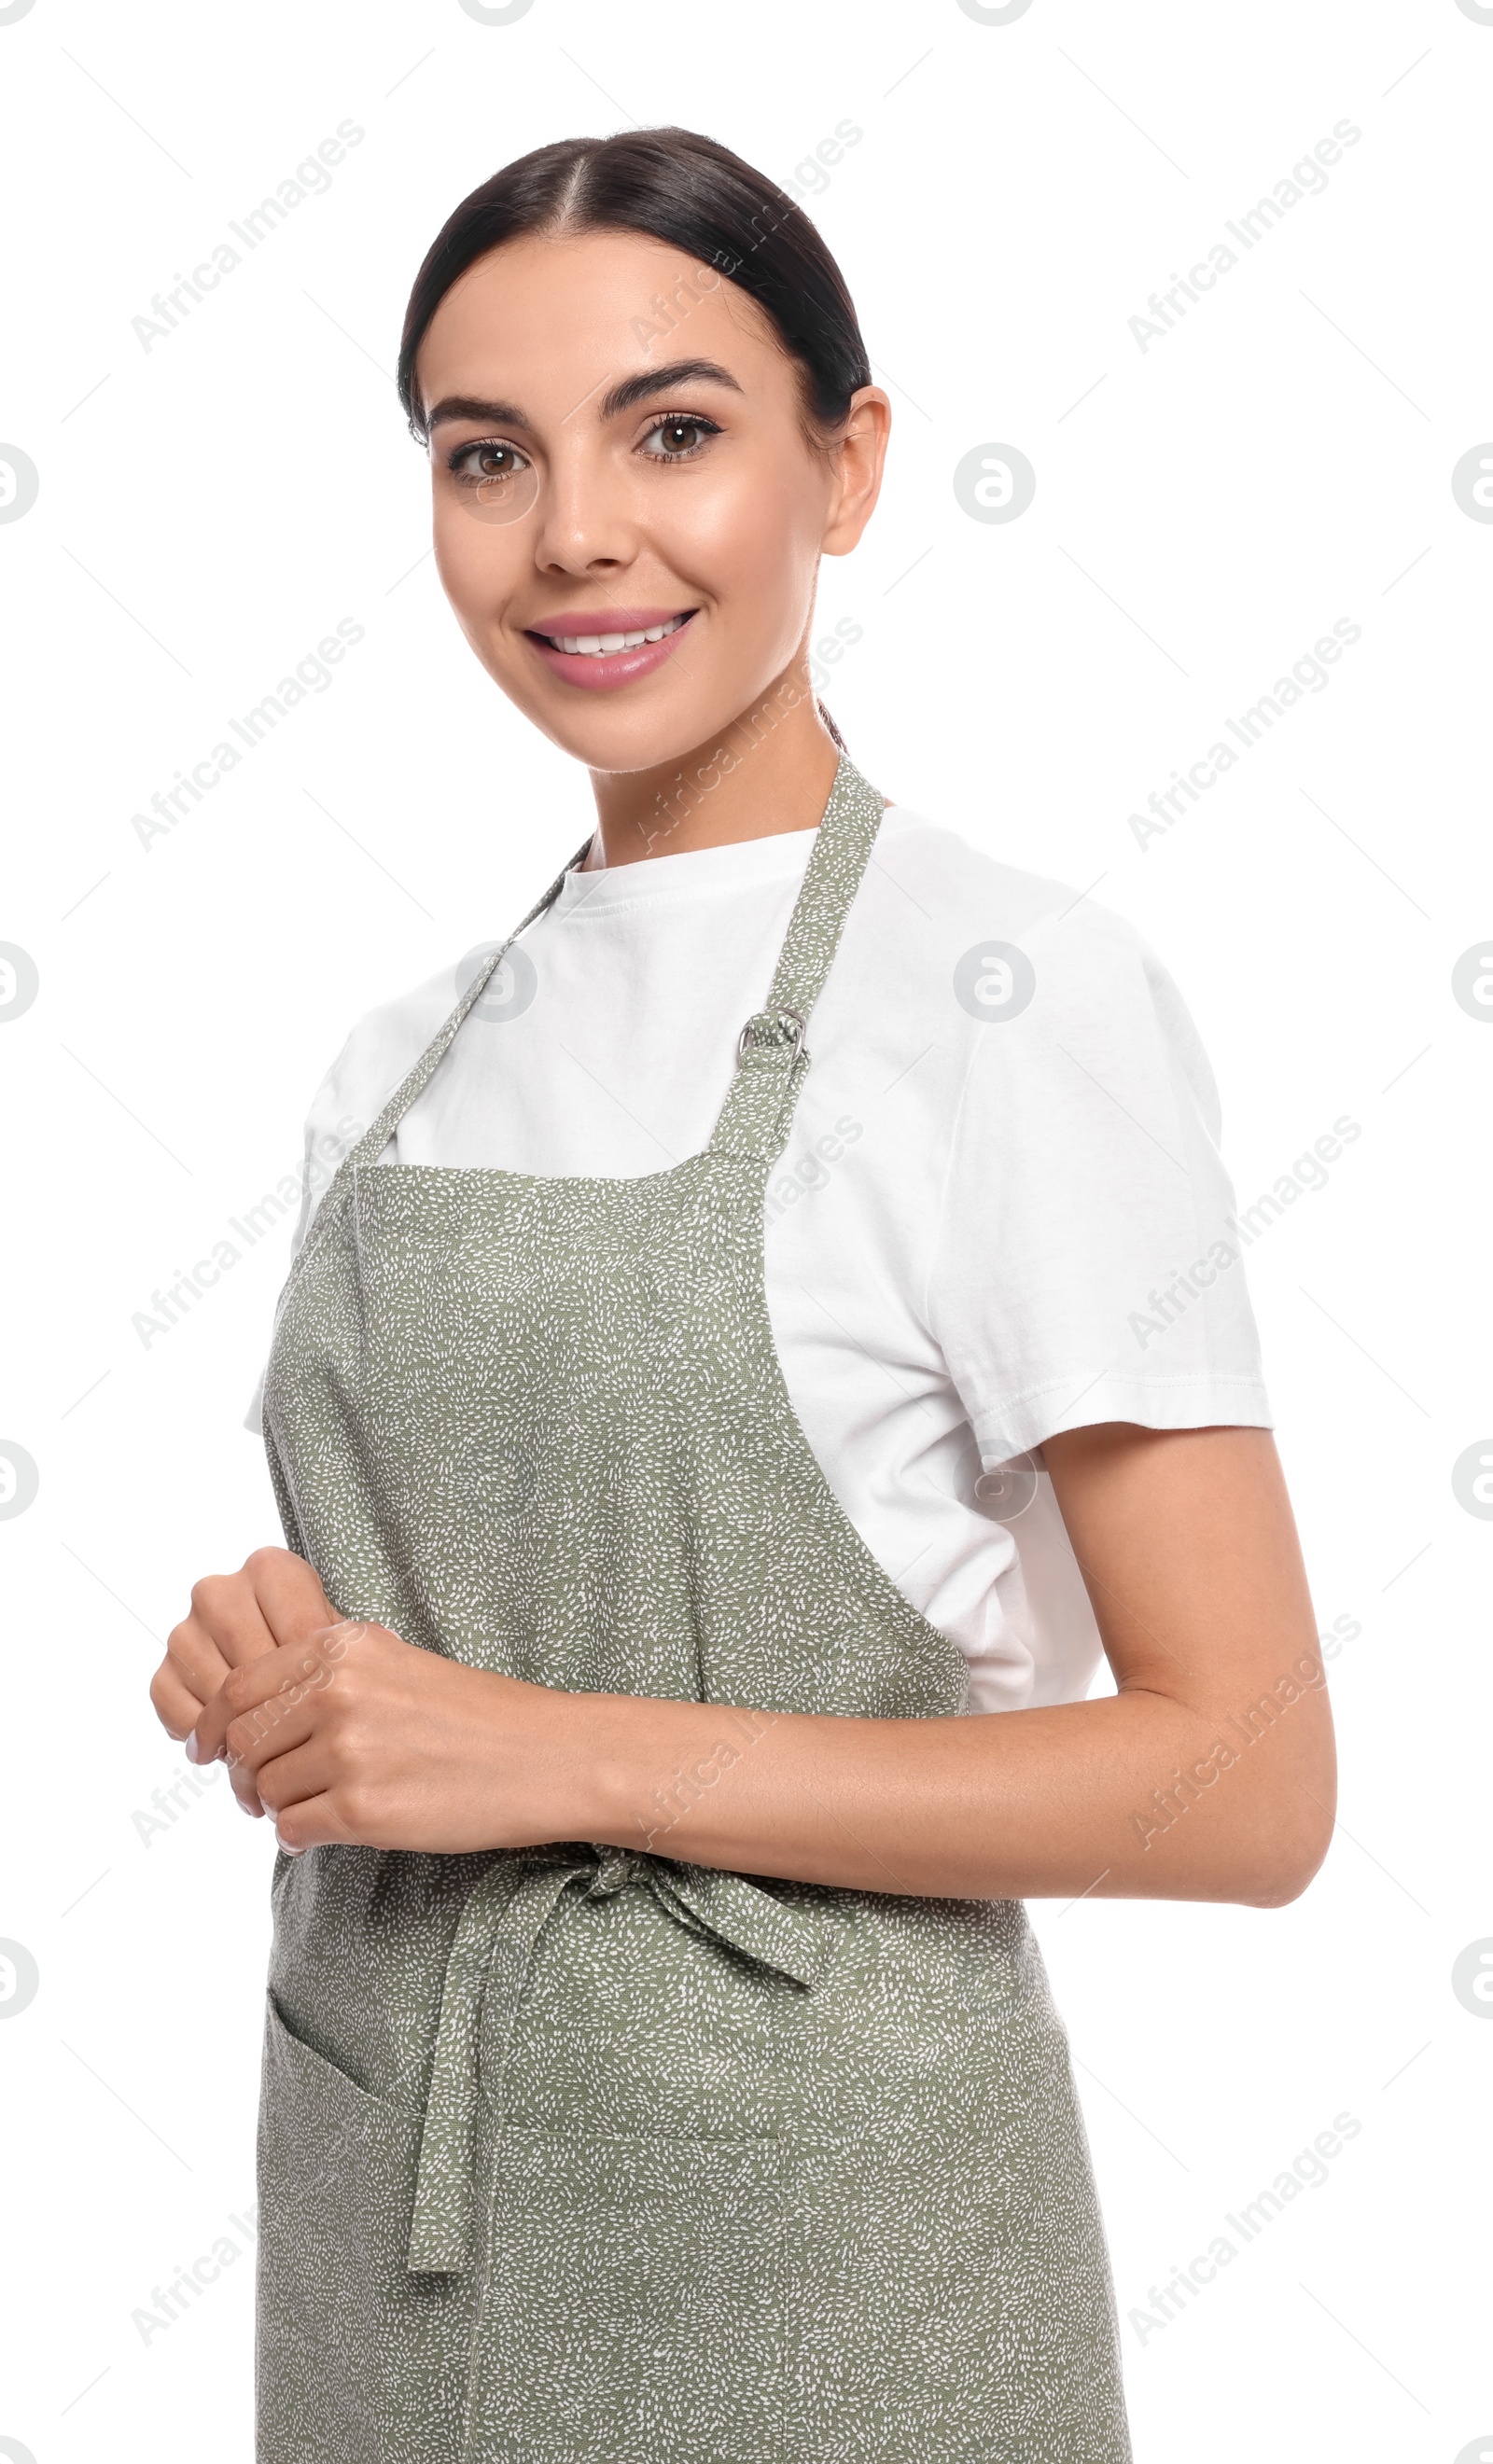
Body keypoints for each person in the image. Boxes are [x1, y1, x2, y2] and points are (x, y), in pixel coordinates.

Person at [148, 126, 1335, 2463]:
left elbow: (1243, 1776)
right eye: (487, 457)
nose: (576, 531)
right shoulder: (399, 1059)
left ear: (848, 462)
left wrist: (560, 1754)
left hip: (837, 2270)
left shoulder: (1009, 1004)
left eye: (672, 431)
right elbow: (439, 1627)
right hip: (389, 2224)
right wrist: (283, 1663)